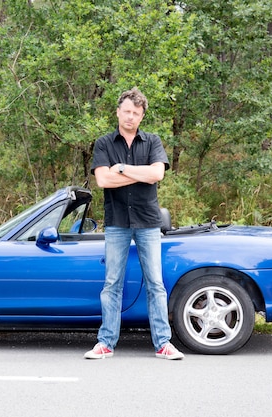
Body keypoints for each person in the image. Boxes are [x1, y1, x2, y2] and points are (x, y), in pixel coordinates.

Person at [85, 88, 184, 360]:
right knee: (112, 283)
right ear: (118, 111)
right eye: (127, 111)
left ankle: (163, 344)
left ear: (142, 116)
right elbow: (103, 181)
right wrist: (140, 175)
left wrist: (121, 169)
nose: (130, 117)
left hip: (148, 222)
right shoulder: (104, 143)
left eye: (136, 113)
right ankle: (106, 343)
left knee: (155, 283)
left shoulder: (152, 141)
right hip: (117, 221)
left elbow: (157, 173)